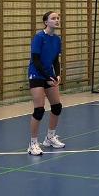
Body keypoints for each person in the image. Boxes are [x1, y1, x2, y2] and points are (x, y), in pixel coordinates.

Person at [27, 11, 64, 154]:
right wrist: (48, 77)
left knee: (57, 107)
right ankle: (32, 144)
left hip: (49, 74)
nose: (57, 20)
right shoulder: (39, 37)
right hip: (36, 74)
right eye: (53, 18)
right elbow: (36, 60)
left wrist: (57, 75)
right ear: (46, 22)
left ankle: (50, 137)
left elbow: (55, 60)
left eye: (58, 18)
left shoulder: (57, 39)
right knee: (39, 110)